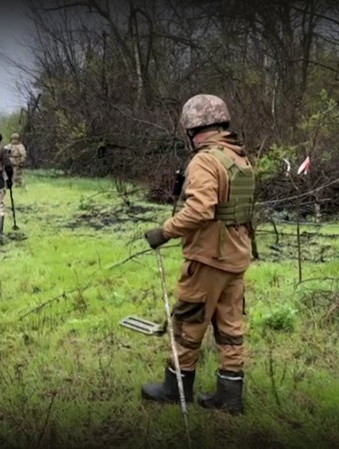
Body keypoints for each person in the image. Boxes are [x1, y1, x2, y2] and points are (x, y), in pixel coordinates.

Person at [140, 94, 255, 415]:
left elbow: (200, 211)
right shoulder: (238, 157)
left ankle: (175, 388)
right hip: (235, 256)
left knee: (188, 323)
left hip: (208, 260)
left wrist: (164, 231)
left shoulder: (205, 160)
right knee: (230, 325)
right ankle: (229, 396)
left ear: (193, 129)